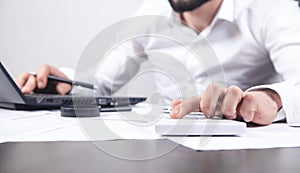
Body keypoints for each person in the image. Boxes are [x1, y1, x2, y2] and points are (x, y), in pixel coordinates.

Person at [15, 0, 300, 125]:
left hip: (251, 153)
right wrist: (63, 83)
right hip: (168, 151)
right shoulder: (150, 14)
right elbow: (100, 83)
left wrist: (271, 99)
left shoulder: (272, 10)